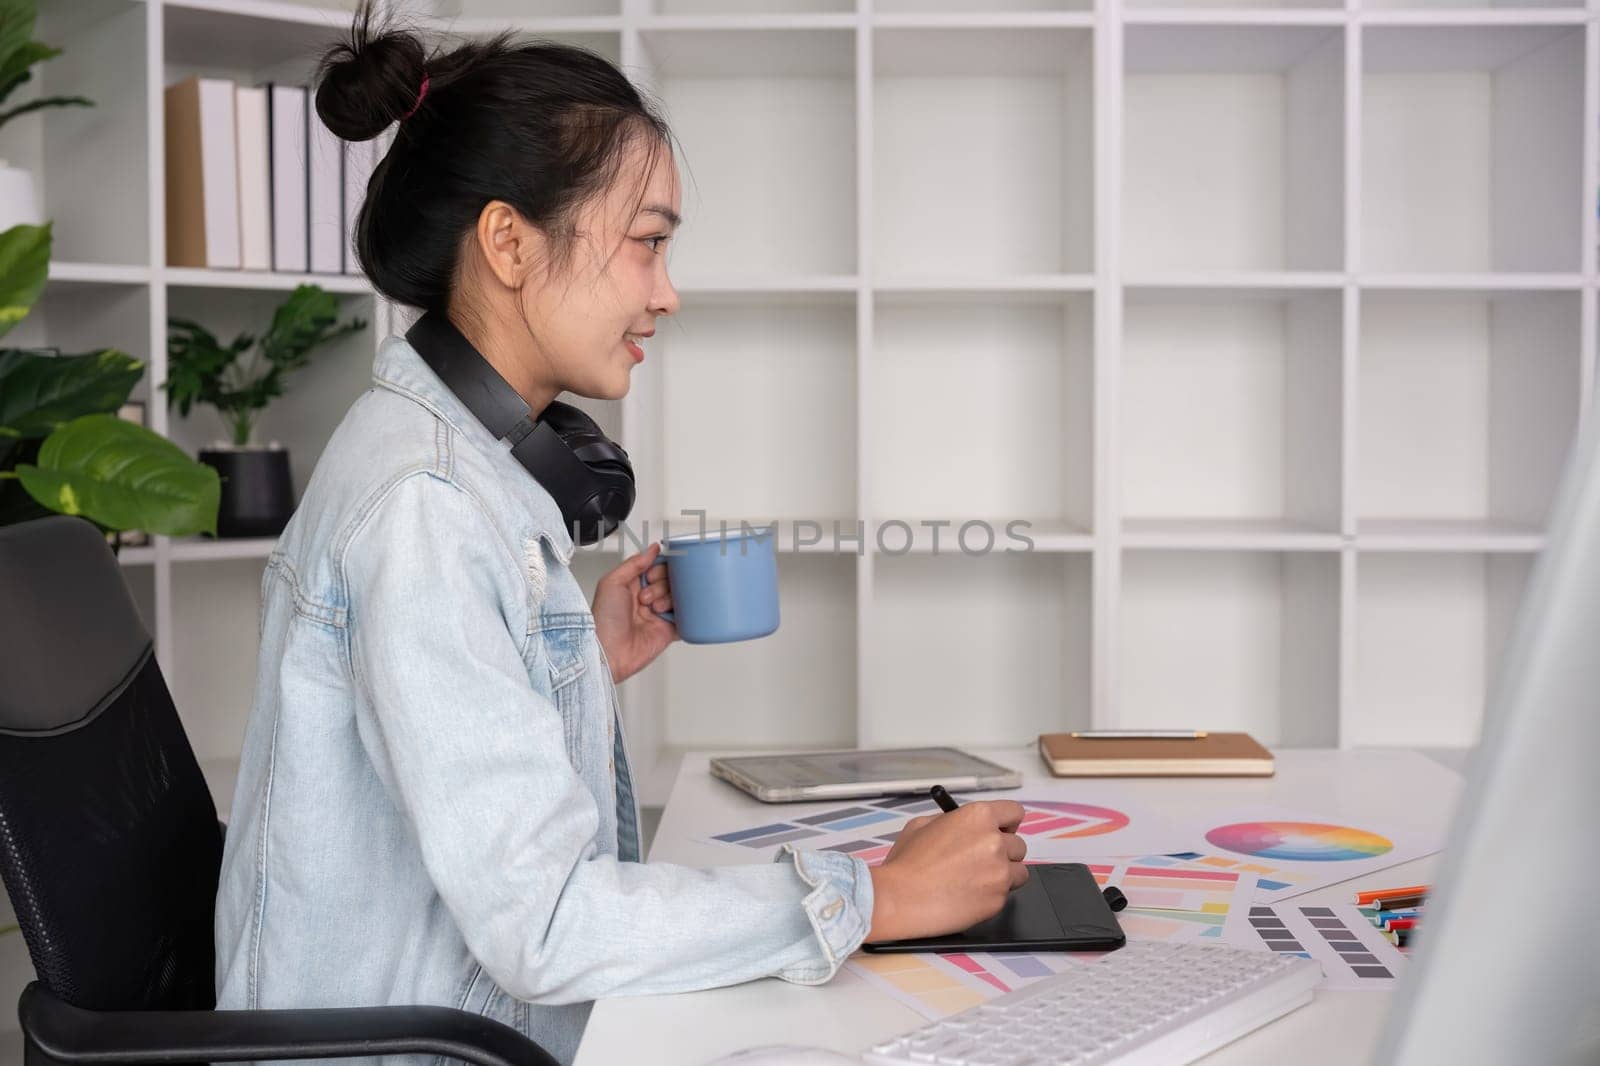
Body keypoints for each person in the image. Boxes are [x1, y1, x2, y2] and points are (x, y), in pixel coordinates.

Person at [212, 5, 1029, 1062]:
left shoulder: (455, 470)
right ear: (508, 241)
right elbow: (544, 927)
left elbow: (439, 743)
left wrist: (584, 657)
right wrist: (869, 895)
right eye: (646, 244)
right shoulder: (423, 508)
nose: (667, 293)